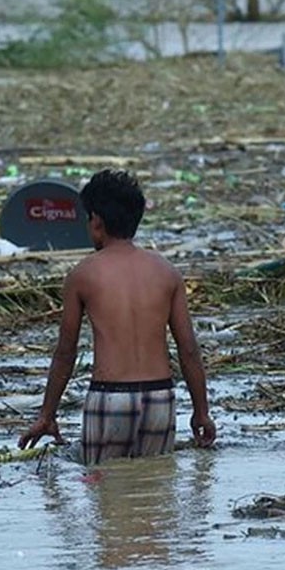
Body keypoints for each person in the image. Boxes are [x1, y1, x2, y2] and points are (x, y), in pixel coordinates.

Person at [18, 169, 216, 464]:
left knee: (104, 486)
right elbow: (188, 349)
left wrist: (47, 415)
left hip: (110, 399)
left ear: (96, 221)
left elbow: (66, 352)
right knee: (154, 484)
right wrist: (201, 412)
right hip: (160, 399)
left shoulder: (83, 274)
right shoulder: (167, 272)